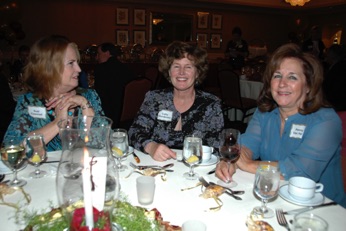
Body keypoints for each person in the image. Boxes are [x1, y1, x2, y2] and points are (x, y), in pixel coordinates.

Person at [216, 43, 346, 208]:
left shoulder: (326, 122)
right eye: (277, 76)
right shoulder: (265, 113)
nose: (282, 84)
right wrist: (232, 161)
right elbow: (247, 145)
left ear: (308, 86)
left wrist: (246, 164)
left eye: (292, 77)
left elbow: (300, 170)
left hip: (321, 208)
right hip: (275, 196)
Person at [4, 35, 104, 151]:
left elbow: (104, 142)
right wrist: (58, 123)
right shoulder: (30, 102)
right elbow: (12, 149)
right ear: (49, 68)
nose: (79, 69)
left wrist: (85, 104)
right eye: (71, 63)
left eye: (77, 62)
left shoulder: (89, 96)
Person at [128, 41, 224, 161]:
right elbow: (134, 132)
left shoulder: (210, 104)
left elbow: (216, 147)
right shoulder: (154, 98)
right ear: (169, 71)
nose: (181, 72)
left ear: (198, 73)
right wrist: (151, 147)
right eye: (176, 66)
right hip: (156, 166)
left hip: (194, 170)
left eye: (188, 66)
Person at [94, 42, 136, 128]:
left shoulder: (101, 69)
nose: (96, 57)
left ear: (107, 53)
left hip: (109, 115)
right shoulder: (127, 68)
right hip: (128, 114)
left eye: (98, 54)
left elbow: (98, 94)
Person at [322, 44, 346, 111]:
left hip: (336, 105)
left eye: (327, 53)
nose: (326, 56)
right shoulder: (339, 66)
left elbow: (330, 88)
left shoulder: (338, 69)